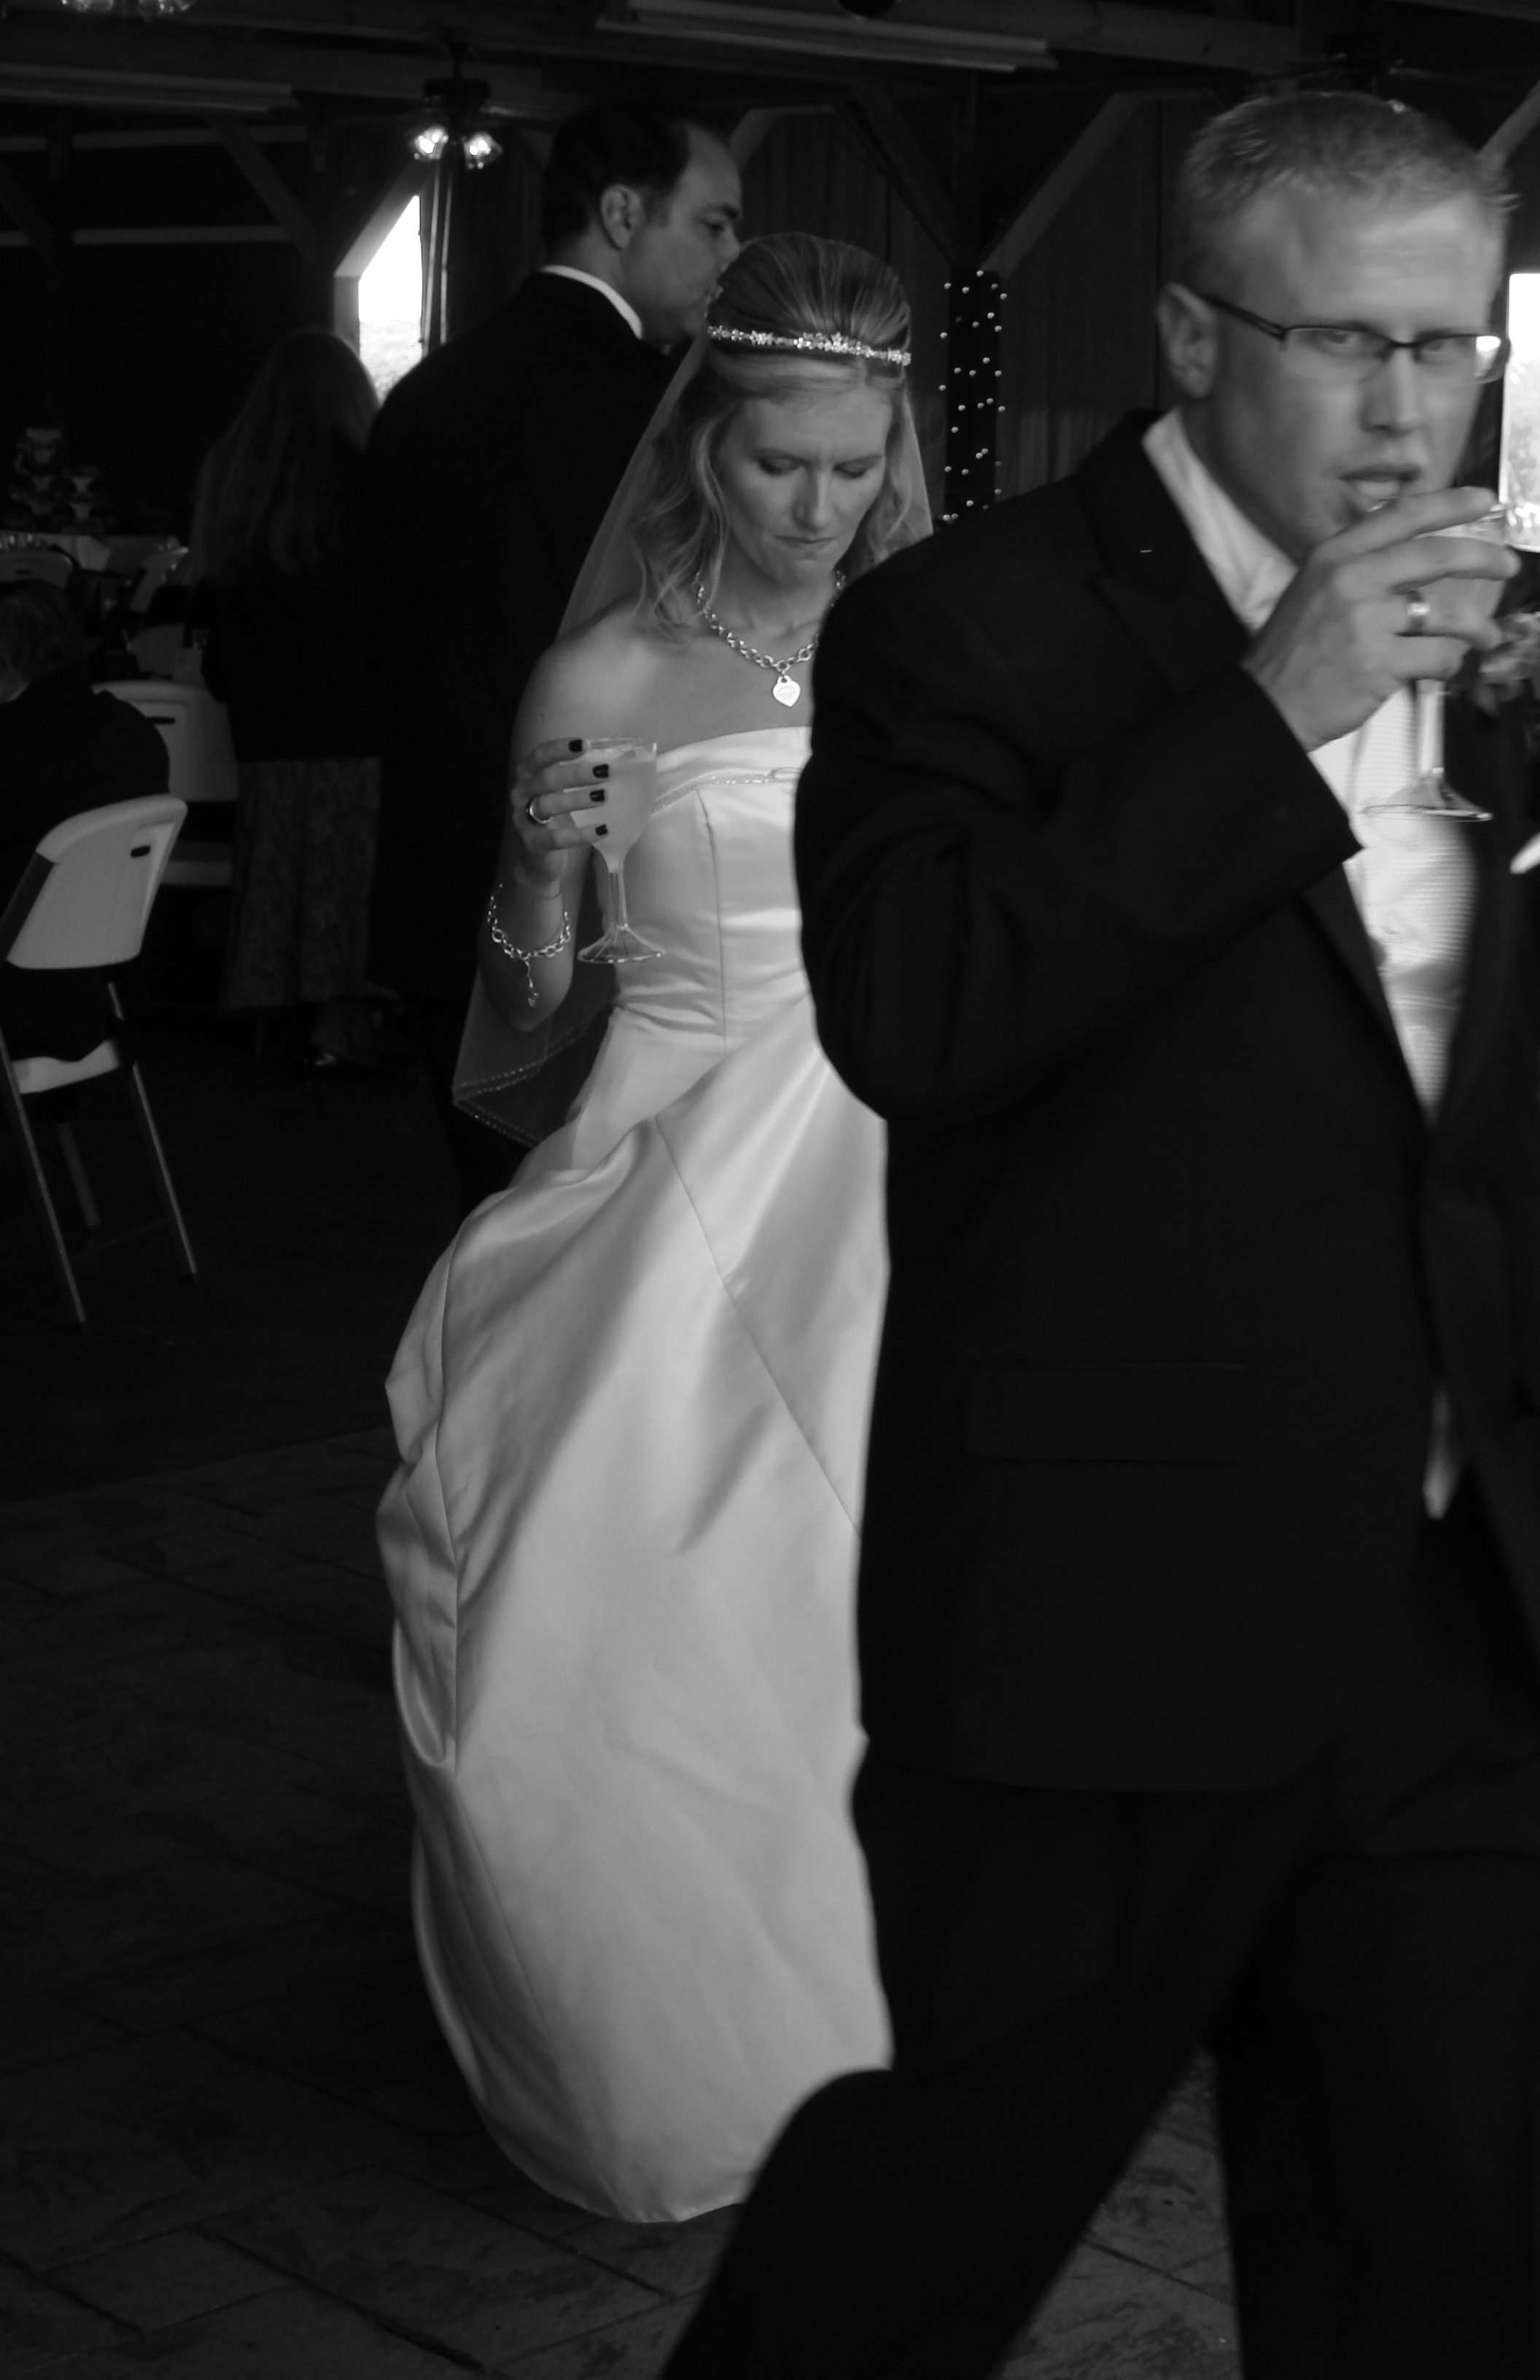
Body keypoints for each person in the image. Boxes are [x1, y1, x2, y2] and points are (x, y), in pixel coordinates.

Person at [664, 92, 1540, 2380]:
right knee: (929, 2229)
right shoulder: (958, 628)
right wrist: (1275, 708)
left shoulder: (1473, 625)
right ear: (1193, 336)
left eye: (1448, 345)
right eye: (1344, 342)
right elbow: (921, 1018)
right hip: (1104, 1607)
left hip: (1440, 1633)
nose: (1407, 409)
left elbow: (1464, 1130)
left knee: (1431, 2255)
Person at [376, 233, 930, 2221]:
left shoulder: (934, 655)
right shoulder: (601, 677)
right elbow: (529, 1015)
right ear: (702, 444)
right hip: (680, 1146)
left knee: (904, 1606)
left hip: (905, 1147)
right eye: (781, 462)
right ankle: (682, 2052)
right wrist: (538, 881)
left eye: (855, 467)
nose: (820, 505)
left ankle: (913, 2032)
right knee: (618, 1608)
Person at [362, 104, 743, 1208]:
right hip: (605, 896)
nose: (730, 255)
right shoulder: (664, 416)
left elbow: (373, 631)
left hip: (436, 872)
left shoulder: (424, 394)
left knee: (499, 1226)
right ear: (622, 213)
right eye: (713, 223)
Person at [190, 329, 384, 1073]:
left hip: (263, 722)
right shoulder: (365, 479)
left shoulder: (234, 478)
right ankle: (338, 1026)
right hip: (354, 715)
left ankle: (268, 1010)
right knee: (347, 876)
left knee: (273, 860)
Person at [0, 580, 169, 1062]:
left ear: (9, 659)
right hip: (103, 986)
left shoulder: (12, 745)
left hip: (19, 995)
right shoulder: (134, 733)